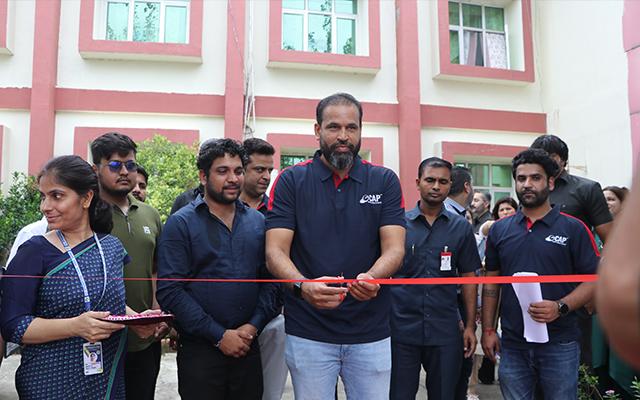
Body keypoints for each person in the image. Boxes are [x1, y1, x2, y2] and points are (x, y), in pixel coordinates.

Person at [266, 92, 406, 399]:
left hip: (371, 331)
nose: (343, 136)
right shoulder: (291, 181)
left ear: (360, 130)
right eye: (333, 127)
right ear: (317, 130)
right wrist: (303, 287)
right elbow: (275, 251)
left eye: (351, 127)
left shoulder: (384, 181)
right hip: (309, 331)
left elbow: (395, 249)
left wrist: (372, 276)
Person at [156, 138, 280, 400]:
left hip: (248, 347)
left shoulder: (258, 223)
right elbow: (170, 291)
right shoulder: (181, 224)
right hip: (201, 352)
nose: (233, 178)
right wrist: (219, 335)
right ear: (203, 176)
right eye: (222, 171)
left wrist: (252, 327)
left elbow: (271, 283)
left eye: (238, 171)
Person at [0, 155, 128, 399]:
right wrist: (74, 327)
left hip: (106, 378)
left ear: (87, 198)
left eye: (57, 196)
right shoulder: (34, 252)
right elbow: (13, 325)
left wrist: (142, 320)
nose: (45, 206)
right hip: (50, 381)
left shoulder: (111, 247)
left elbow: (107, 299)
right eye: (43, 196)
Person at [481, 148, 600, 400]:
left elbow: (593, 280)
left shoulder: (574, 228)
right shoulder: (500, 231)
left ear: (551, 182)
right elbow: (492, 282)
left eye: (535, 178)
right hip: (512, 344)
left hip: (560, 344)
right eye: (521, 178)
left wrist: (561, 306)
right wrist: (489, 330)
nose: (527, 184)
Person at [390, 157, 480, 400]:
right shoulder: (397, 226)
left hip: (445, 331)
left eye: (443, 182)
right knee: (399, 395)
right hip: (401, 330)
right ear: (418, 183)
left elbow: (469, 277)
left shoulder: (461, 228)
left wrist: (470, 326)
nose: (436, 187)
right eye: (430, 180)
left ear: (450, 185)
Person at [91, 132, 166, 400]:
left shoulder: (150, 214)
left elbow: (156, 268)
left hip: (145, 338)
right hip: (99, 336)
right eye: (114, 165)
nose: (124, 172)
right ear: (95, 169)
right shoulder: (86, 214)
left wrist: (157, 312)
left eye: (130, 165)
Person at [530, 134, 612, 366]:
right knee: (532, 364)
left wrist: (594, 289)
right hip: (535, 291)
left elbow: (612, 243)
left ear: (563, 160)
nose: (544, 161)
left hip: (576, 294)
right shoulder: (529, 188)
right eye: (539, 156)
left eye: (551, 157)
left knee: (577, 366)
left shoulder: (586, 189)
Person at [240, 138, 288, 400]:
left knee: (269, 394)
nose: (266, 176)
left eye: (270, 170)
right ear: (242, 167)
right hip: (221, 321)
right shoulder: (213, 209)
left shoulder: (279, 212)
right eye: (259, 169)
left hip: (270, 318)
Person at [592, 185, 638, 398]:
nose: (606, 203)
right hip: (599, 308)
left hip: (628, 307)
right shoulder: (594, 233)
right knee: (600, 359)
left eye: (610, 199)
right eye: (602, 200)